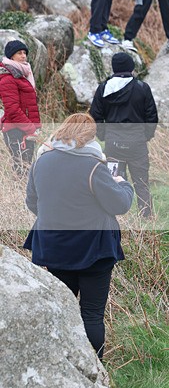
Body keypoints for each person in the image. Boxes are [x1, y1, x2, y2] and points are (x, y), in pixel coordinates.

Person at [24, 113, 134, 359]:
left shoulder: (41, 161)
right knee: (92, 314)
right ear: (89, 136)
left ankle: (61, 365)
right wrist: (123, 184)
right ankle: (95, 374)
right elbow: (120, 204)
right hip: (94, 249)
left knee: (60, 311)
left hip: (54, 248)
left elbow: (33, 202)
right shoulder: (94, 166)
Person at [89, 52, 158, 217]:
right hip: (137, 144)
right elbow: (152, 117)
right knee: (142, 183)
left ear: (114, 68)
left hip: (113, 144)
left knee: (113, 181)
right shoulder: (142, 88)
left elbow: (95, 116)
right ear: (131, 67)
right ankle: (146, 218)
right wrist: (145, 136)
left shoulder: (104, 88)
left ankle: (118, 218)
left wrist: (104, 135)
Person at [0, 40, 40, 175]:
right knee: (21, 170)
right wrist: (30, 128)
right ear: (11, 56)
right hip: (15, 130)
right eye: (19, 53)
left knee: (27, 168)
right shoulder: (8, 78)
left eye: (24, 53)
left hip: (26, 129)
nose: (23, 56)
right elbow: (12, 110)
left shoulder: (23, 75)